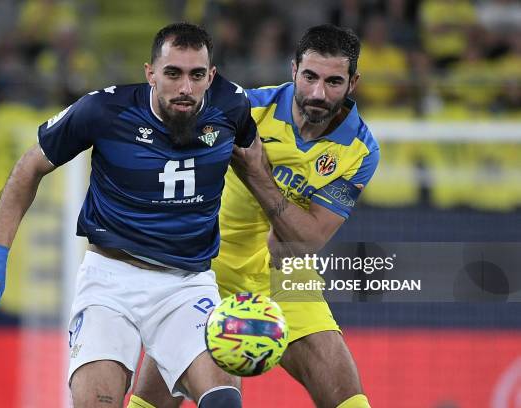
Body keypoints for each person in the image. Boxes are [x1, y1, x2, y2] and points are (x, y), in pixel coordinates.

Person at [0, 23, 257, 408]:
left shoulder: (232, 107)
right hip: (111, 283)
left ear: (211, 76)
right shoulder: (105, 109)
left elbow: (255, 166)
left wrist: (283, 222)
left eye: (196, 75)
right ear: (150, 73)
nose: (185, 87)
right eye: (173, 73)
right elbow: (29, 167)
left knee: (224, 400)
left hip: (188, 284)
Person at [129, 24, 379, 408]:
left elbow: (306, 241)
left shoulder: (360, 150)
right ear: (293, 69)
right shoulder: (242, 109)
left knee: (350, 400)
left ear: (353, 83)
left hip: (286, 278)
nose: (317, 92)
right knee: (157, 403)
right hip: (207, 270)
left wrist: (258, 174)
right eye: (309, 77)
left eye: (333, 82)